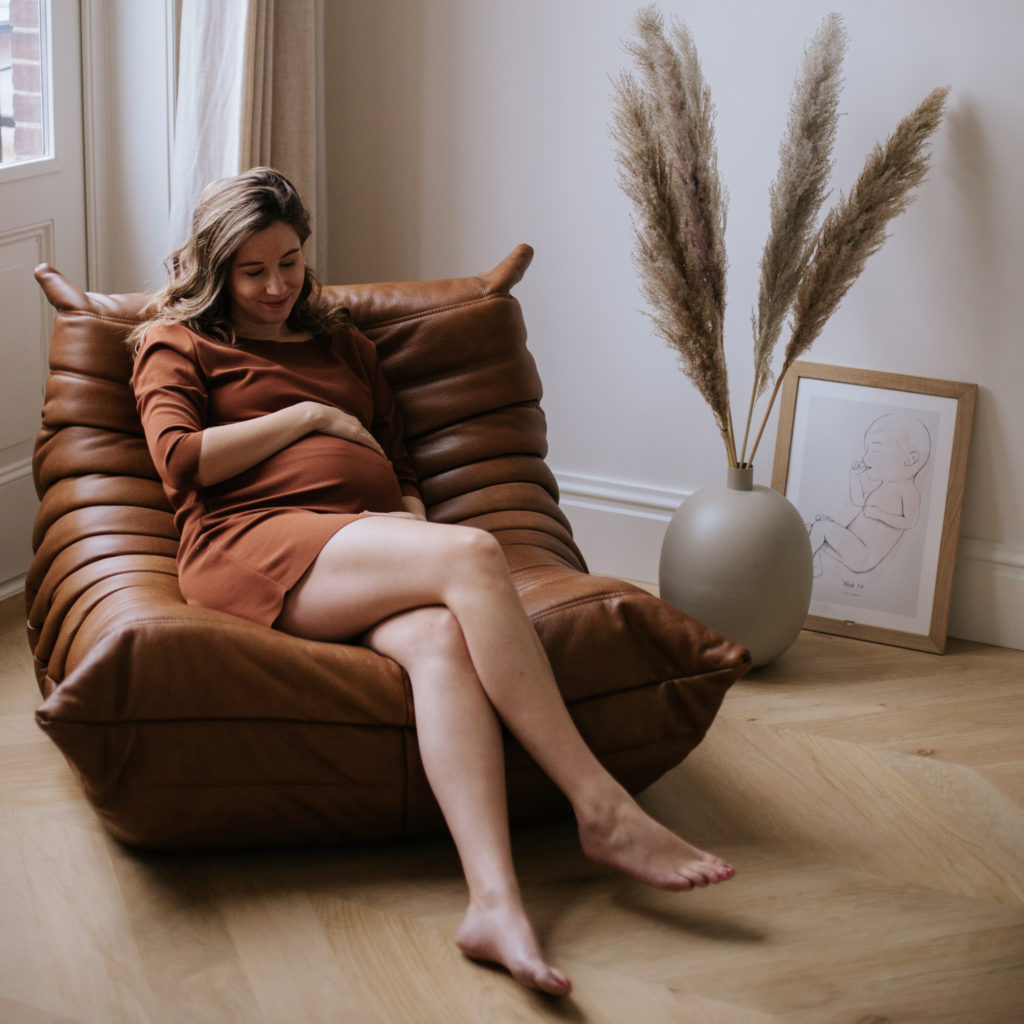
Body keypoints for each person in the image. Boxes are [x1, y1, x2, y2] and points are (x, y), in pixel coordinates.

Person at [130, 167, 735, 997]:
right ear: (215, 268)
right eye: (253, 270)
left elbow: (398, 457)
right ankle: (603, 809)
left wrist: (407, 523)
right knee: (476, 554)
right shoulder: (180, 344)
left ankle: (494, 903)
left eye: (291, 263)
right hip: (251, 544)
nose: (276, 287)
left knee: (442, 638)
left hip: (364, 545)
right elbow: (180, 460)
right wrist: (309, 418)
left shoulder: (343, 343)